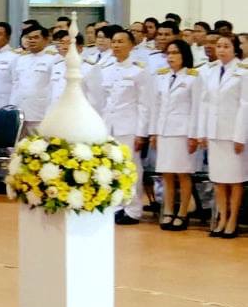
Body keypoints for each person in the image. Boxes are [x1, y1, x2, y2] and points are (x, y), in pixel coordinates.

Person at [85, 28, 151, 225]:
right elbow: (100, 99)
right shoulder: (106, 69)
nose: (116, 45)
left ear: (131, 45)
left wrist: (142, 132)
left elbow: (145, 104)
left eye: (121, 42)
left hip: (129, 126)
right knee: (112, 167)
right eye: (114, 42)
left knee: (131, 167)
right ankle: (117, 205)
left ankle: (133, 209)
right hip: (109, 125)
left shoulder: (139, 70)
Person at [196, 34, 247, 238]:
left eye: (226, 46)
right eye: (219, 46)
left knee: (234, 180)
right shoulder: (210, 70)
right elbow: (205, 103)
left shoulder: (243, 71)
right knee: (218, 179)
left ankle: (233, 219)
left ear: (235, 49)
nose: (222, 50)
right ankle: (222, 217)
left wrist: (240, 136)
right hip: (214, 132)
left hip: (233, 133)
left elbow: (245, 105)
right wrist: (202, 132)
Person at [150, 39, 201, 232]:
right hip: (164, 130)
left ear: (184, 55)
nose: (170, 57)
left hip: (183, 131)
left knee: (183, 173)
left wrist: (194, 135)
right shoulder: (162, 77)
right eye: (168, 53)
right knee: (167, 173)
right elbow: (157, 106)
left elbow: (197, 108)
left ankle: (183, 212)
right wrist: (154, 132)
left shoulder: (193, 77)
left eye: (175, 53)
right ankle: (169, 210)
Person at [11, 25, 55, 134]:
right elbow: (15, 84)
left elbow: (54, 87)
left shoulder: (53, 60)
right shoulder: (21, 59)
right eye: (29, 38)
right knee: (17, 146)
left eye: (36, 37)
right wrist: (12, 106)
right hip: (20, 109)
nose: (32, 40)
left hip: (40, 111)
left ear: (46, 40)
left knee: (39, 145)